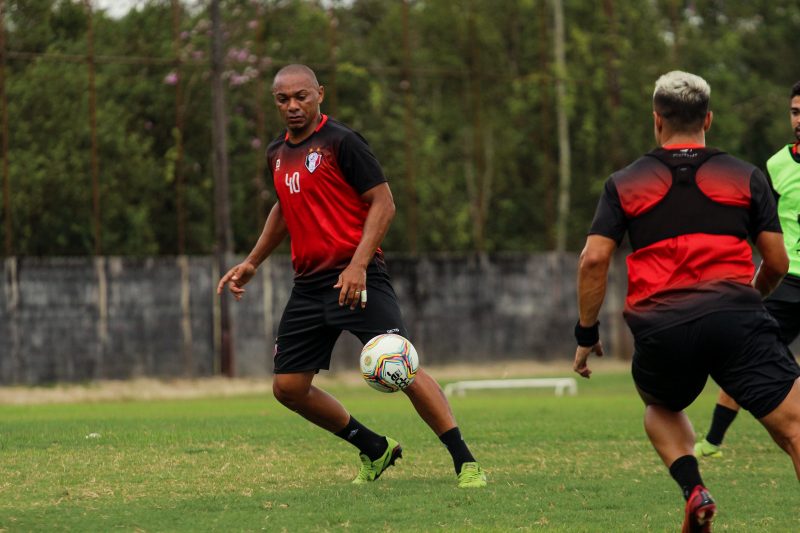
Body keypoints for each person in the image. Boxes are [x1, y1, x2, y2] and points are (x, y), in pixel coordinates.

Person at [217, 64, 486, 488]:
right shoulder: (276, 152)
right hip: (308, 286)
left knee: (402, 367)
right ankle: (376, 448)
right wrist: (252, 261)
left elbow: (384, 203)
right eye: (282, 99)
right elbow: (284, 208)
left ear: (319, 94)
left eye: (300, 96)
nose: (292, 106)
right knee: (288, 388)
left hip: (358, 279)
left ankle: (465, 461)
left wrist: (358, 264)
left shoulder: (342, 142)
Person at [573, 71, 800, 532]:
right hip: (737, 318)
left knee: (660, 409)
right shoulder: (745, 176)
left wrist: (586, 333)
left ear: (657, 121)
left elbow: (594, 260)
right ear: (709, 120)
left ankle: (694, 486)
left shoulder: (625, 183)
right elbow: (776, 261)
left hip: (661, 326)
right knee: (796, 430)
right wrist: (749, 299)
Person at [694, 80, 800, 458]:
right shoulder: (776, 165)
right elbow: (762, 226)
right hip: (785, 282)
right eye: (795, 112)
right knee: (744, 352)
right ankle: (714, 440)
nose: (799, 120)